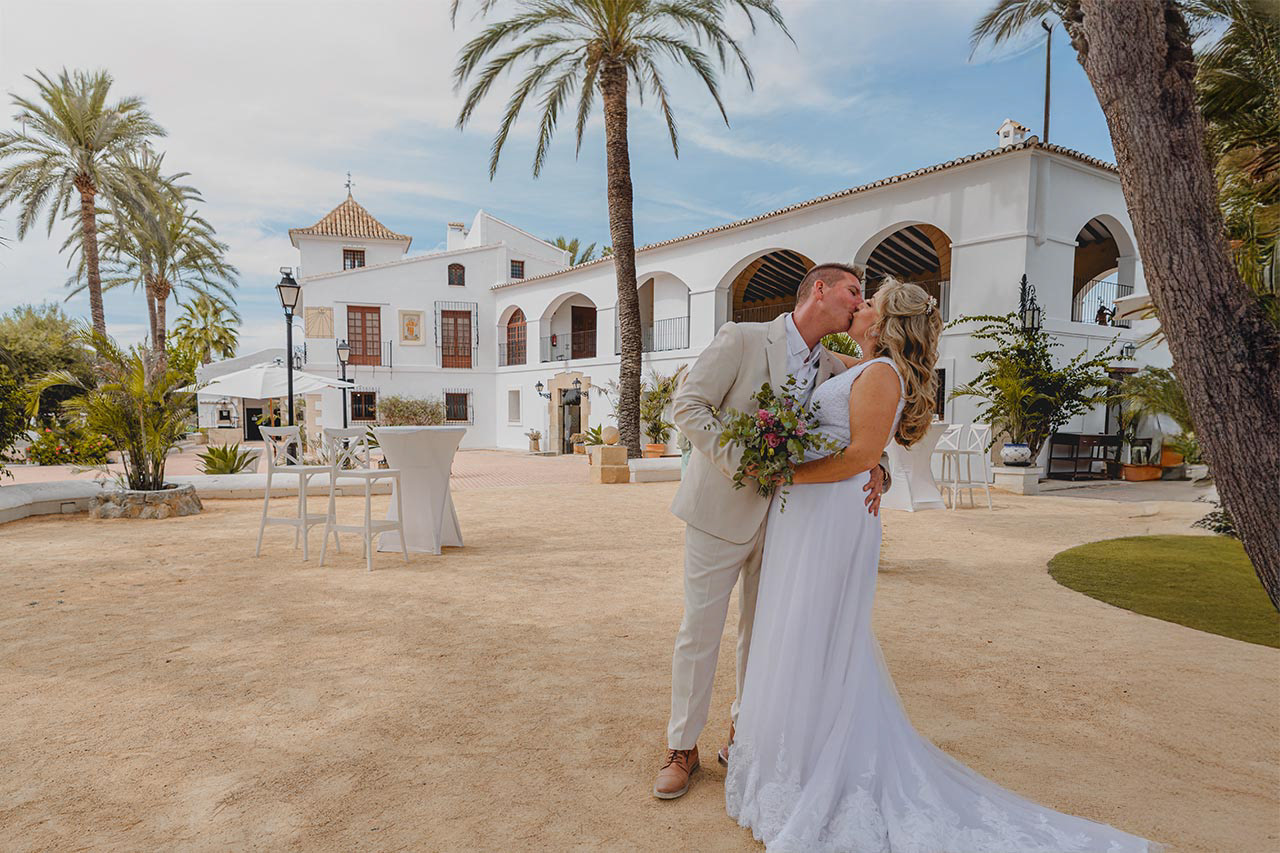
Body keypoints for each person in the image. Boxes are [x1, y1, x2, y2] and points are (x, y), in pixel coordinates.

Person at [724, 279, 1162, 852]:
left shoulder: (880, 374)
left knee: (818, 626)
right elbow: (858, 444)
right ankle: (791, 750)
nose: (858, 309)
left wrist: (786, 474)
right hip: (812, 511)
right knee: (798, 624)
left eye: (867, 304)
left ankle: (815, 764)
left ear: (882, 324)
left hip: (829, 514)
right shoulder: (861, 366)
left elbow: (856, 453)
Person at [654, 262, 888, 800]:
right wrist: (744, 460)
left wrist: (878, 466)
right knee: (700, 632)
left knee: (764, 636)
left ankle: (743, 738)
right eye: (854, 291)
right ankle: (681, 747)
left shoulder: (836, 366)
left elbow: (863, 426)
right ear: (820, 289)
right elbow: (688, 406)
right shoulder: (742, 337)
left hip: (790, 522)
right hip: (718, 512)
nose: (859, 302)